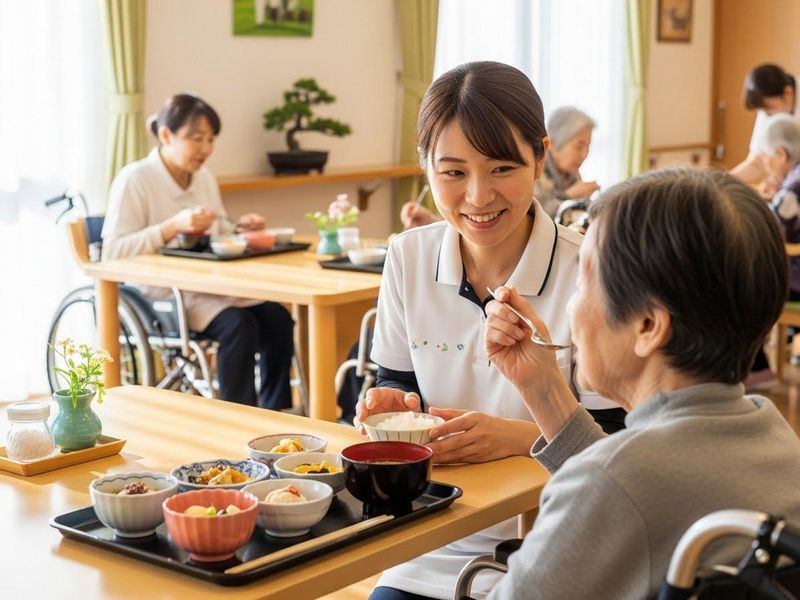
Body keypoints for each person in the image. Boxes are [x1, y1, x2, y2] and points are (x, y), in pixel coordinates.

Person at [356, 61, 623, 600]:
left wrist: (520, 439)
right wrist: (392, 405)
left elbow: (619, 444)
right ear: (425, 167)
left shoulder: (590, 269)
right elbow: (399, 382)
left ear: (541, 157)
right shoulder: (408, 257)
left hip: (555, 543)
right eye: (453, 173)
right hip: (428, 537)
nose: (478, 197)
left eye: (502, 168)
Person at [483, 167, 800, 599]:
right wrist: (542, 387)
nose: (571, 309)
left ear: (648, 326)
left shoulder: (612, 484)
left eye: (583, 282)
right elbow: (641, 485)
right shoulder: (779, 442)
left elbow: (621, 487)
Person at [102, 93, 294, 410]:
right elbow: (112, 252)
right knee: (239, 325)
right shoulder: (135, 179)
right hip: (161, 295)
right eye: (196, 138)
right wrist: (170, 227)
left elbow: (218, 233)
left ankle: (278, 412)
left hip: (208, 288)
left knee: (277, 318)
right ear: (166, 135)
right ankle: (238, 417)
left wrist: (240, 229)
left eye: (211, 139)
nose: (206, 149)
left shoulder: (203, 178)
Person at [730, 63, 797, 186]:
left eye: (770, 108)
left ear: (788, 93)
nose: (768, 116)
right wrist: (722, 180)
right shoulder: (768, 111)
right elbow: (756, 162)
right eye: (764, 111)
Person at [534, 106, 599, 218]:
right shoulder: (535, 169)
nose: (584, 154)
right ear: (552, 143)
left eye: (588, 146)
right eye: (579, 146)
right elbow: (535, 213)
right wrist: (569, 196)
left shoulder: (571, 171)